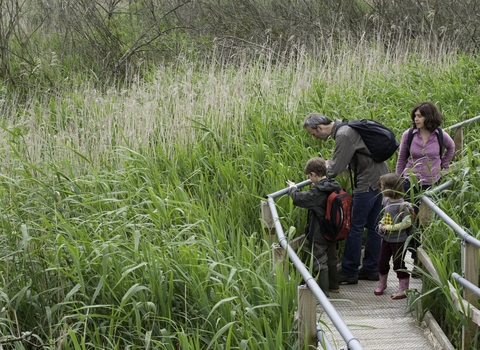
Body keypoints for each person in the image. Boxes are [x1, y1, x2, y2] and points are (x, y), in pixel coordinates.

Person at [303, 113, 390, 285]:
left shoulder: (343, 135)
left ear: (320, 128)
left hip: (366, 182)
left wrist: (321, 173)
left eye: (313, 134)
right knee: (373, 226)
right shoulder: (347, 128)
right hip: (380, 178)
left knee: (354, 226)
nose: (315, 138)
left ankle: (349, 270)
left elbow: (335, 169)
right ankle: (371, 268)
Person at [395, 101, 455, 276]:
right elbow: (401, 158)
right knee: (411, 221)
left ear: (428, 117)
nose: (416, 118)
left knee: (426, 223)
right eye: (415, 115)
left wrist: (443, 164)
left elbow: (451, 148)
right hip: (410, 183)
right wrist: (398, 180)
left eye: (419, 115)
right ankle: (415, 258)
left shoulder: (440, 135)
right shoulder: (409, 135)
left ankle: (422, 261)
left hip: (432, 183)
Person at [286, 157, 342, 297]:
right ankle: (334, 286)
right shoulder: (334, 185)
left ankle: (323, 294)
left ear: (314, 174)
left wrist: (293, 188)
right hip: (334, 229)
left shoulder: (318, 192)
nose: (309, 180)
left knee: (319, 261)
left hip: (320, 232)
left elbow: (300, 199)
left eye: (309, 177)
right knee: (332, 258)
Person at [374, 173, 413, 299]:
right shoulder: (386, 201)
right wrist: (382, 224)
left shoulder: (402, 206)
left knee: (398, 264)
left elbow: (407, 223)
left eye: (383, 187)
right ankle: (382, 283)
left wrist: (390, 228)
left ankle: (403, 288)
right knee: (382, 261)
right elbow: (386, 217)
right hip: (386, 239)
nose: (381, 189)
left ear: (390, 188)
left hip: (398, 240)